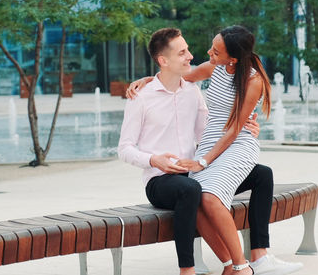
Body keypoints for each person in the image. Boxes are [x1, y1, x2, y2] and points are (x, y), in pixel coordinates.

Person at [122, 27, 302, 275]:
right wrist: (155, 159)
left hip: (192, 168)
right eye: (183, 52)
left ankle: (258, 256)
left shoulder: (193, 90)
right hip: (160, 178)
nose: (193, 55)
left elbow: (207, 130)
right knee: (194, 191)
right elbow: (124, 149)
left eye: (213, 51)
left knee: (262, 174)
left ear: (233, 58)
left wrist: (245, 127)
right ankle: (200, 268)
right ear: (163, 60)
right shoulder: (142, 97)